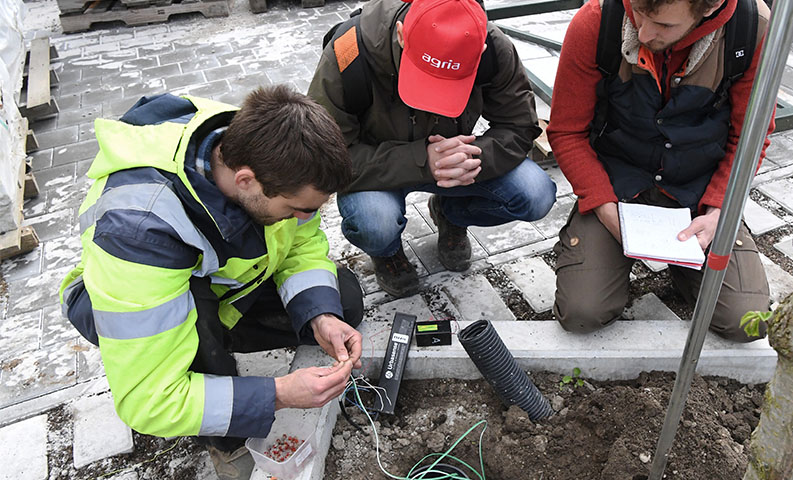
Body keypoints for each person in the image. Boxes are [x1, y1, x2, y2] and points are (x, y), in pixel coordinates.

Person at [58, 85, 364, 478]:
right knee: (199, 330)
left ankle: (221, 350)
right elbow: (148, 401)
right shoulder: (138, 232)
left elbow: (301, 241)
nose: (305, 219)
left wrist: (321, 315)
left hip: (222, 284)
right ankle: (225, 440)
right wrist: (278, 395)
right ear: (246, 181)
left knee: (344, 301)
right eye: (296, 209)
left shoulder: (261, 147)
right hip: (128, 296)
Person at [547, 0, 774, 342]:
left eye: (664, 25)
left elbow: (751, 135)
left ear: (710, 7)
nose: (643, 32)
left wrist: (719, 210)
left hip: (698, 191)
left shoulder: (751, 29)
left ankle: (683, 268)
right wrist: (606, 210)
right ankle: (621, 251)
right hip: (618, 187)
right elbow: (567, 131)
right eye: (638, 12)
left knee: (744, 322)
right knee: (582, 313)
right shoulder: (597, 21)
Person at [308, 0, 557, 298]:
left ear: (479, 51)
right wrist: (419, 160)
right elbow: (326, 156)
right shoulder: (348, 52)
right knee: (374, 223)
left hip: (452, 161)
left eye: (452, 84)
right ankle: (387, 252)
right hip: (377, 168)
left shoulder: (489, 42)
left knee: (536, 193)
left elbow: (519, 125)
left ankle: (450, 214)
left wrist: (476, 158)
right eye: (425, 78)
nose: (435, 101)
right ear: (401, 34)